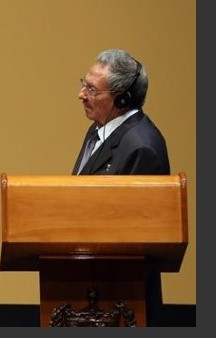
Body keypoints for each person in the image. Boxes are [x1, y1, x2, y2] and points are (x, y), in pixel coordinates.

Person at [73, 48, 169, 326]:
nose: (81, 94)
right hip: (90, 284)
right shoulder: (99, 129)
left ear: (122, 99)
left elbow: (137, 238)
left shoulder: (142, 147)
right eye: (84, 84)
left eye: (92, 89)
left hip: (122, 298)